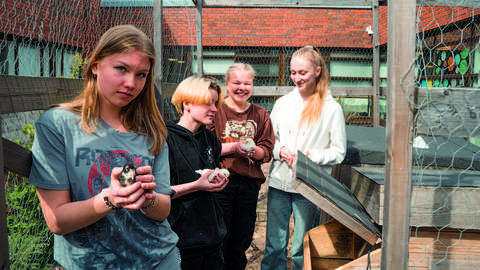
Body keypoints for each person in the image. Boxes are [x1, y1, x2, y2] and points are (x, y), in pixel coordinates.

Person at [27, 24, 181, 269]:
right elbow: (56, 220)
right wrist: (109, 199)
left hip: (157, 260)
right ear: (96, 65)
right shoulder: (58, 125)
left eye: (141, 74)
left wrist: (147, 199)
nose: (131, 83)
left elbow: (162, 210)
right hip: (89, 263)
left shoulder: (151, 130)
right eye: (121, 68)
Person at [261, 46, 347, 270]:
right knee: (274, 244)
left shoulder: (331, 108)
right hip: (280, 182)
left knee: (301, 245)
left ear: (317, 71)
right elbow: (270, 139)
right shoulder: (283, 103)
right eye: (293, 73)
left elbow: (339, 151)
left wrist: (310, 157)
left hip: (309, 186)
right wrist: (280, 151)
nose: (296, 78)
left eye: (302, 73)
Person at [208, 63, 275, 270]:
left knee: (241, 237)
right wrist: (235, 148)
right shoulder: (216, 111)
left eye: (247, 83)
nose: (241, 88)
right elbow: (207, 146)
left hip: (248, 184)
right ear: (227, 85)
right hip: (220, 182)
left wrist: (256, 152)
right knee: (220, 236)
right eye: (236, 83)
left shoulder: (260, 113)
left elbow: (267, 148)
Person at [166, 75, 229, 270]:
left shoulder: (210, 138)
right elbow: (159, 192)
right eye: (207, 103)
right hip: (181, 241)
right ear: (187, 104)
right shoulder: (165, 140)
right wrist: (196, 186)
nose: (214, 109)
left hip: (212, 237)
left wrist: (217, 181)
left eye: (215, 103)